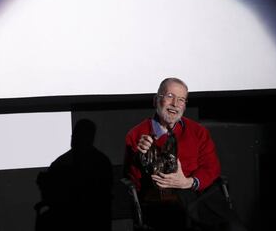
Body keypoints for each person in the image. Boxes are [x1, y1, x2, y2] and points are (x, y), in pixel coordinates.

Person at [124, 77, 247, 231]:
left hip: (198, 193)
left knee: (233, 226)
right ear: (156, 100)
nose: (175, 104)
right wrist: (140, 154)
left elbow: (211, 167)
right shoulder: (137, 134)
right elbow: (133, 179)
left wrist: (189, 182)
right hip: (162, 199)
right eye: (170, 96)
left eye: (181, 100)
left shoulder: (198, 131)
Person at [35, 119, 113, 231]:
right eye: (74, 136)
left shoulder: (62, 162)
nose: (74, 139)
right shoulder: (102, 161)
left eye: (77, 136)